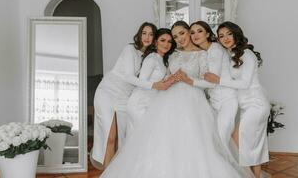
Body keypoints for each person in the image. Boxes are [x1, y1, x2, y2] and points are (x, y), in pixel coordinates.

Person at [99, 21, 254, 178]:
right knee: (163, 139)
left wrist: (188, 80)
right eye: (175, 36)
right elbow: (165, 76)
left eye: (182, 33)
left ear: (189, 32)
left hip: (192, 99)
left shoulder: (203, 54)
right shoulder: (173, 54)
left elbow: (209, 82)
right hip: (167, 99)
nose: (179, 39)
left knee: (193, 140)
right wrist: (170, 79)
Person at [90, 22, 173, 169]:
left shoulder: (150, 57)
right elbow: (129, 77)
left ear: (154, 39)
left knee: (121, 138)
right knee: (110, 136)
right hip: (109, 91)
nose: (147, 37)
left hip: (125, 97)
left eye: (151, 34)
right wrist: (155, 85)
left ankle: (116, 171)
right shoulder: (130, 49)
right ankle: (107, 173)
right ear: (139, 34)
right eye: (144, 33)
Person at [204, 21, 270, 178]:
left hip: (256, 104)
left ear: (236, 34)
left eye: (229, 34)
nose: (225, 38)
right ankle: (253, 175)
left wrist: (217, 80)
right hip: (246, 105)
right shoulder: (231, 54)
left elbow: (245, 83)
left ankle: (252, 176)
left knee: (245, 143)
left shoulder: (247, 54)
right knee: (245, 141)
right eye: (221, 36)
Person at [189, 21, 239, 157]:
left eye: (199, 31)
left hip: (227, 100)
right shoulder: (205, 52)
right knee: (214, 139)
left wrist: (188, 80)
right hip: (214, 101)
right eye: (192, 32)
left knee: (221, 139)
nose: (195, 35)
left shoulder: (215, 49)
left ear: (208, 34)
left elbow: (212, 83)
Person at [126, 28, 176, 137]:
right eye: (162, 40)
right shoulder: (152, 58)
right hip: (140, 103)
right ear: (155, 42)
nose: (166, 44)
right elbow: (141, 82)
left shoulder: (163, 60)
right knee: (142, 137)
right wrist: (156, 85)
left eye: (169, 41)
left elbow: (161, 82)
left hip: (151, 102)